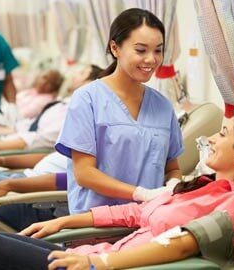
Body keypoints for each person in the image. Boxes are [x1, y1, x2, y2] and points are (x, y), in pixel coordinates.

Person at [0, 105, 234, 269]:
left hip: (92, 265)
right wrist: (64, 222)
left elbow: (180, 247)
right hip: (87, 256)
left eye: (223, 135)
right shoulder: (202, 186)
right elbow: (133, 212)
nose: (210, 139)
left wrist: (98, 263)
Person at [54, 8, 183, 214]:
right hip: (97, 225)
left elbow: (172, 168)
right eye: (141, 50)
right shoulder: (87, 99)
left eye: (158, 50)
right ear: (115, 48)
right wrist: (140, 194)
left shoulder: (163, 107)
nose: (151, 59)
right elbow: (84, 173)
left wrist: (173, 184)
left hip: (147, 222)